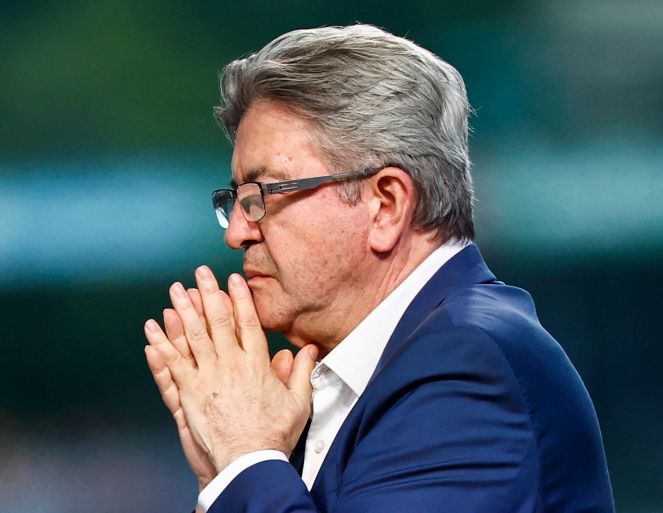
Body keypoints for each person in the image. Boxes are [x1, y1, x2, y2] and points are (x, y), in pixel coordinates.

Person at [143, 24, 615, 513]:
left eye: (262, 195)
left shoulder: (464, 365)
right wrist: (225, 475)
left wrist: (244, 457)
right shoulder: (393, 368)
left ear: (386, 205)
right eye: (235, 199)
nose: (236, 232)